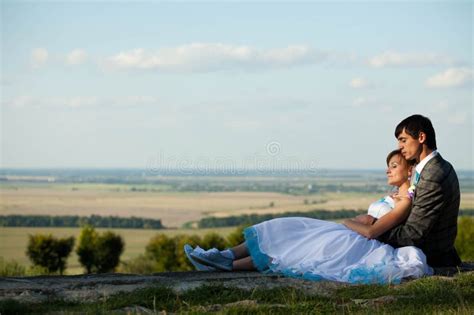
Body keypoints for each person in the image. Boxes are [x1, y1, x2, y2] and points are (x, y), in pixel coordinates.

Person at [184, 149, 434, 284]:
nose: (387, 170)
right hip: (349, 232)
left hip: (358, 241)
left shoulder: (404, 202)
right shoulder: (391, 195)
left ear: (409, 170)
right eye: (388, 165)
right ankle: (224, 255)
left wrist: (348, 221)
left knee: (295, 249)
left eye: (394, 166)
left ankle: (227, 265)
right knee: (285, 228)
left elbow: (372, 230)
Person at [375, 114, 461, 267]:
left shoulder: (433, 175)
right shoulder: (430, 167)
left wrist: (373, 228)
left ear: (421, 137)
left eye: (403, 140)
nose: (399, 146)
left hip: (431, 257)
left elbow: (413, 235)